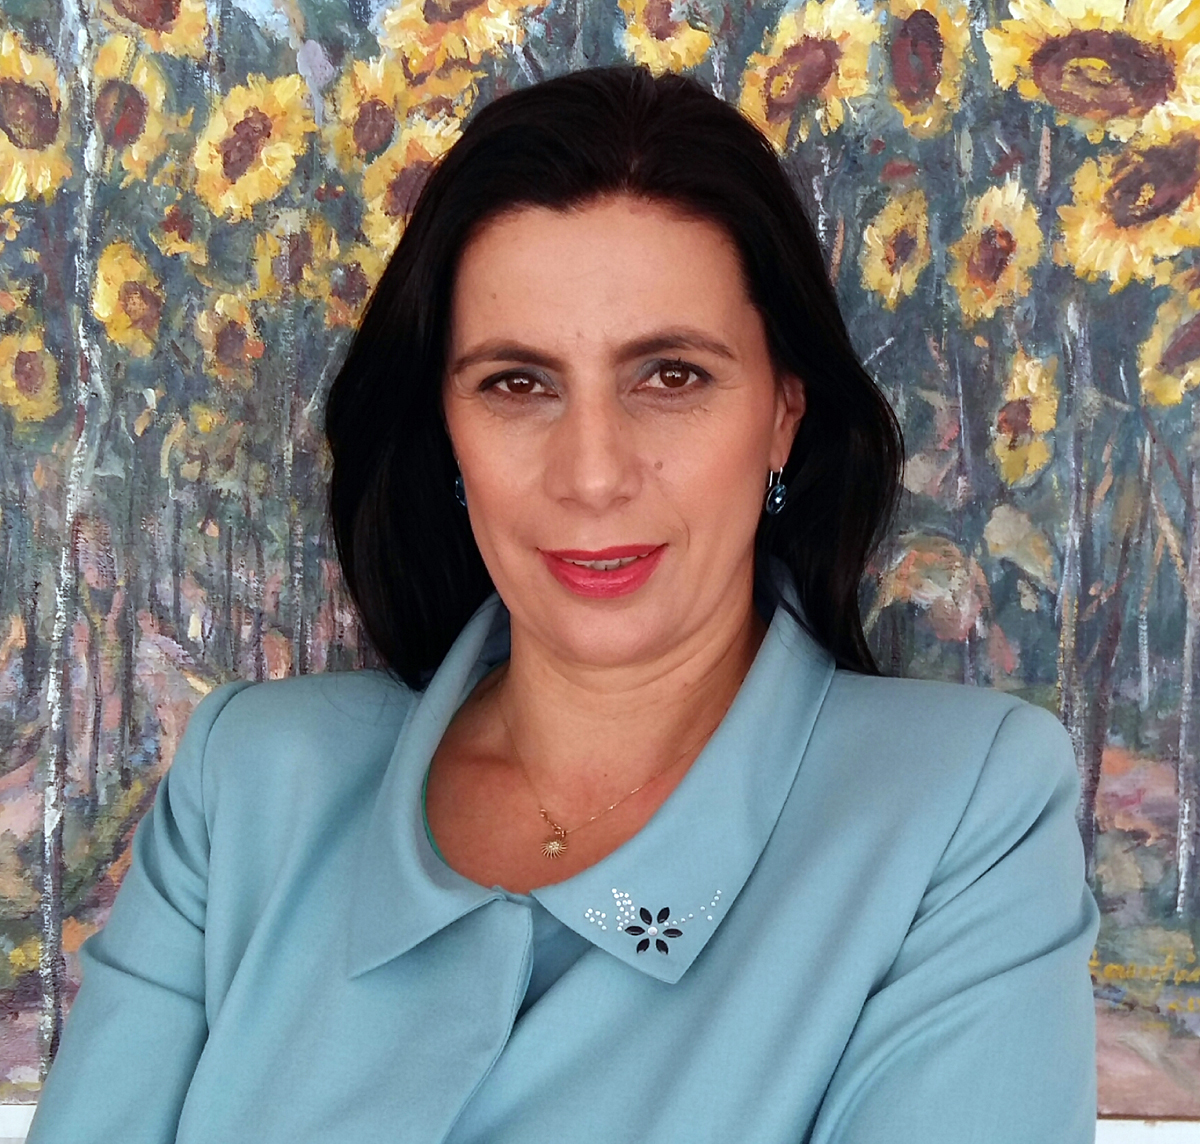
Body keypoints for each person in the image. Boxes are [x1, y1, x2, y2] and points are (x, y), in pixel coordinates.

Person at [27, 64, 1099, 1143]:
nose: (592, 475)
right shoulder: (249, 785)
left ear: (784, 411)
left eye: (670, 376)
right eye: (517, 383)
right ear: (446, 429)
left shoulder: (963, 811)